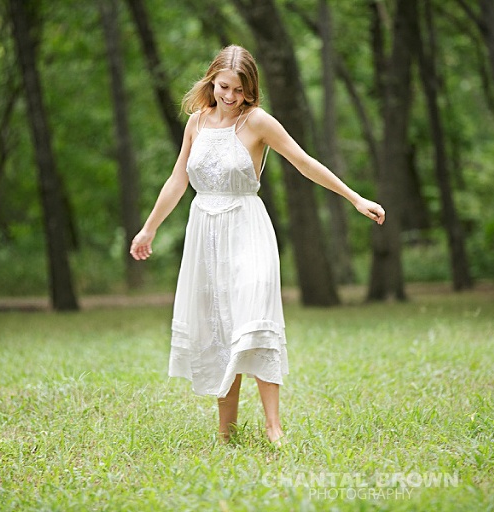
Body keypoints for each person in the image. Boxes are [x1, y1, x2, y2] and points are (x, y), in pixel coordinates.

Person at [130, 45, 385, 445]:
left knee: (254, 317)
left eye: (239, 90)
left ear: (251, 91)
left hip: (246, 228)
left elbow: (304, 162)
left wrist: (356, 198)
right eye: (224, 87)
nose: (230, 97)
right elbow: (178, 179)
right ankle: (225, 432)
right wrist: (149, 229)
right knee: (218, 325)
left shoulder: (258, 122)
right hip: (205, 234)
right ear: (212, 81)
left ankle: (273, 427)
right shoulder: (196, 123)